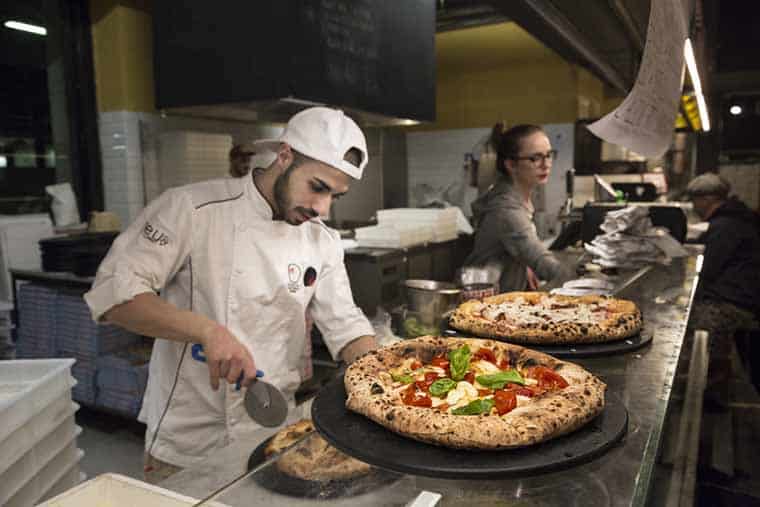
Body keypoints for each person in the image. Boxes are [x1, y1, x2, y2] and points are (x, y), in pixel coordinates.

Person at [84, 107, 377, 483]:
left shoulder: (322, 240)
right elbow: (113, 295)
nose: (322, 207)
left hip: (272, 426)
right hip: (189, 436)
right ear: (284, 156)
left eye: (335, 195)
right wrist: (207, 331)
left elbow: (345, 323)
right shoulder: (193, 209)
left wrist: (381, 376)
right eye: (317, 187)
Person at [463, 124, 572, 292]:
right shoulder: (506, 210)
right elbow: (540, 260)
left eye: (549, 155)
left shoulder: (519, 197)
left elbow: (517, 247)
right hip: (484, 302)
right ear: (511, 165)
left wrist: (524, 266)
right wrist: (578, 281)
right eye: (535, 158)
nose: (546, 164)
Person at [685, 173, 760, 384]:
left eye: (695, 200)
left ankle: (708, 388)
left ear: (708, 199)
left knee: (695, 321)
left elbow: (708, 269)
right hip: (738, 293)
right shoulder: (734, 219)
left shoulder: (726, 226)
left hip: (737, 301)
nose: (694, 206)